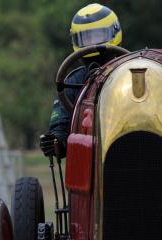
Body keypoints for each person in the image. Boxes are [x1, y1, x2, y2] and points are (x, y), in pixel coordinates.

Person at [40, 3, 123, 158]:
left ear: (114, 33)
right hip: (88, 157)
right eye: (86, 38)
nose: (92, 43)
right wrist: (56, 141)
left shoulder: (135, 73)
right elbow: (61, 125)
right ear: (76, 41)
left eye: (97, 36)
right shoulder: (72, 81)